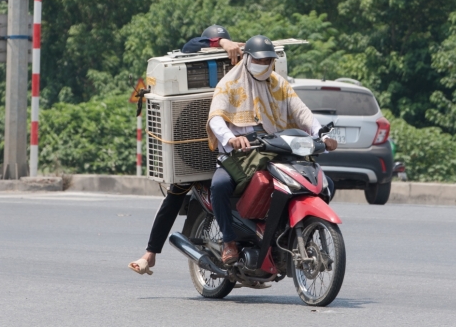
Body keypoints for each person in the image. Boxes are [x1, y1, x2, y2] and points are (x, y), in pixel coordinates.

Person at [206, 35, 337, 265]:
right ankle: (228, 240)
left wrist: (322, 135)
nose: (264, 65)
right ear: (247, 59)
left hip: (276, 149)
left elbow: (302, 113)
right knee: (219, 185)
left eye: (268, 60)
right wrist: (231, 138)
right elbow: (216, 118)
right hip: (241, 155)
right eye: (260, 60)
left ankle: (289, 229)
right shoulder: (229, 83)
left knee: (324, 184)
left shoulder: (279, 84)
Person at [128, 25, 242, 275]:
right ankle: (150, 254)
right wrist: (222, 43)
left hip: (231, 149)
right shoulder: (197, 51)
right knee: (176, 192)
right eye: (216, 42)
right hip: (191, 152)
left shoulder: (243, 67)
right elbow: (190, 48)